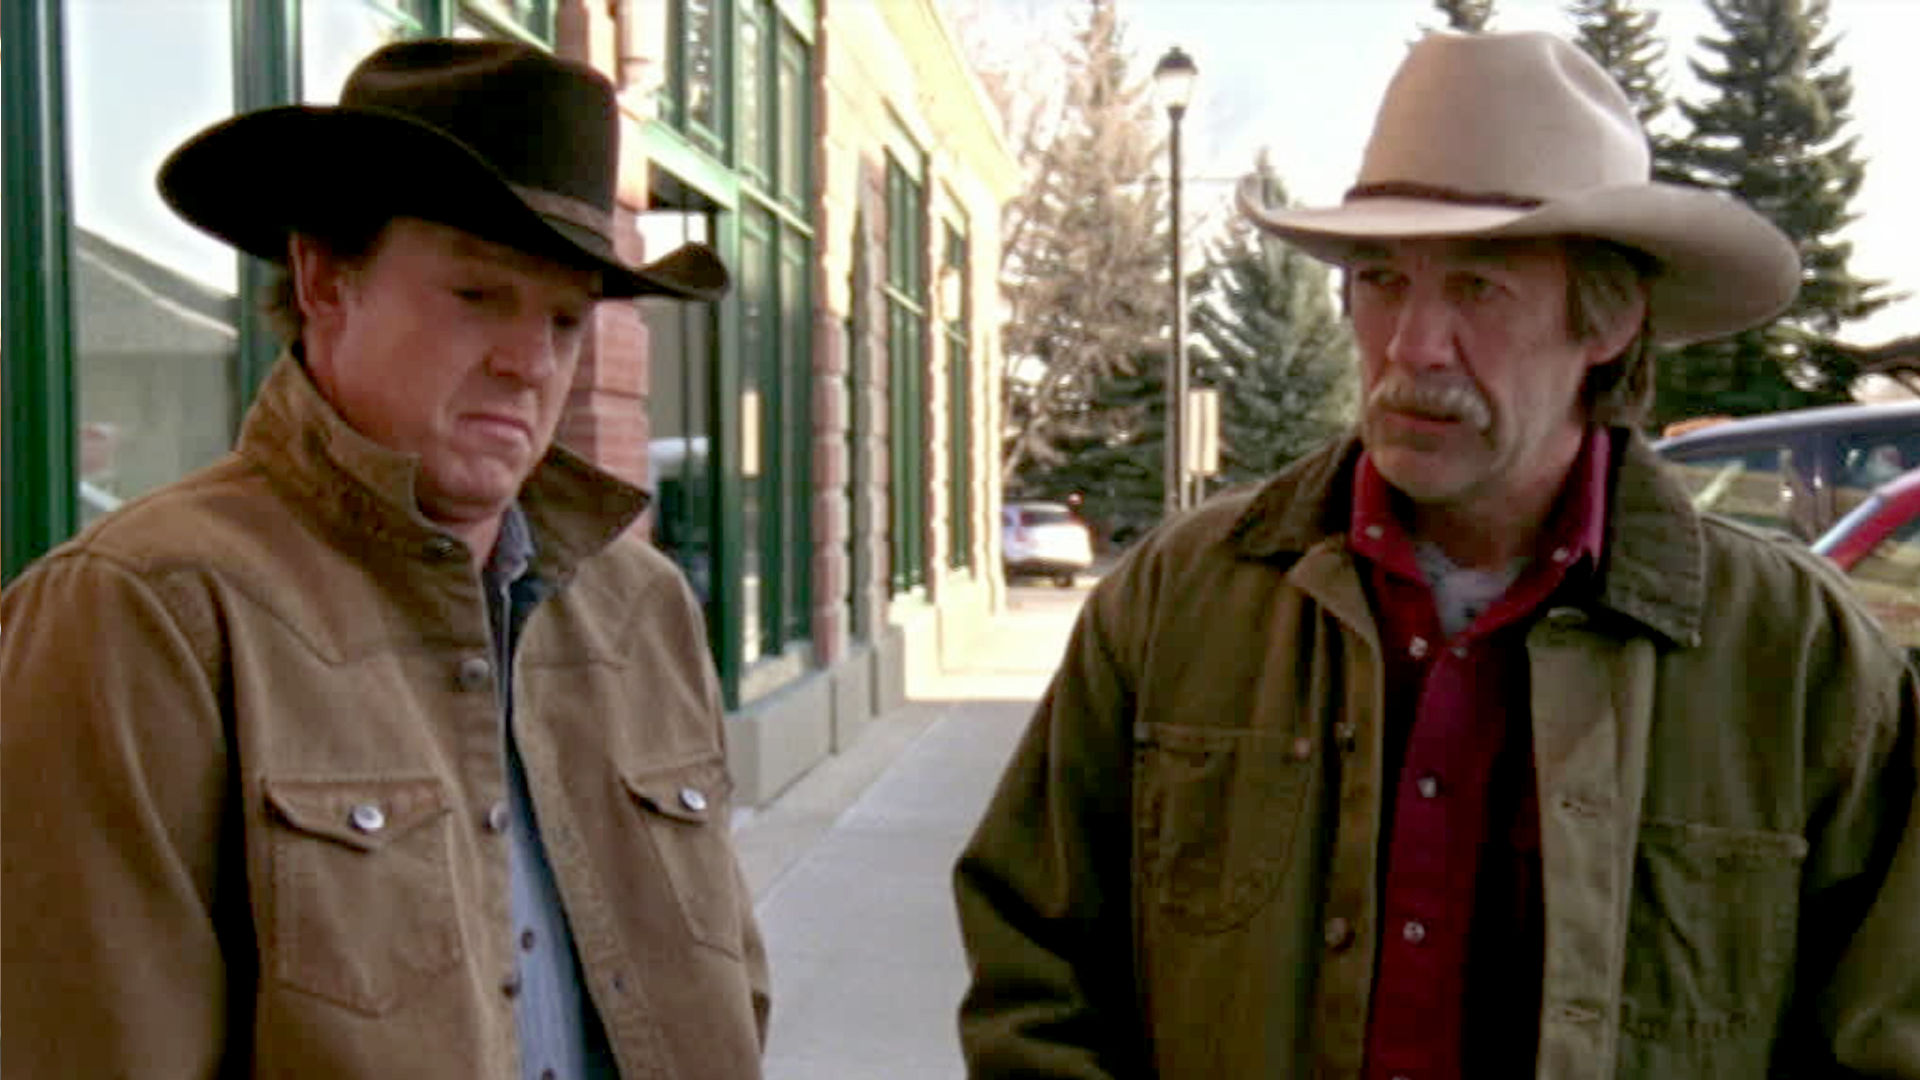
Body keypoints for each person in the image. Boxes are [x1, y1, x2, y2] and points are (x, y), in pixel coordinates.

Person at [953, 30, 1918, 1080]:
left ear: (1608, 321)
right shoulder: (1183, 599)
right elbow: (1034, 971)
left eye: (1477, 288)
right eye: (1380, 279)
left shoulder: (1799, 659)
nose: (1412, 345)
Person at [1, 40, 767, 1079]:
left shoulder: (643, 608)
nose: (530, 361)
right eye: (478, 294)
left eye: (565, 318)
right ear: (324, 277)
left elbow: (728, 992)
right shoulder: (146, 613)